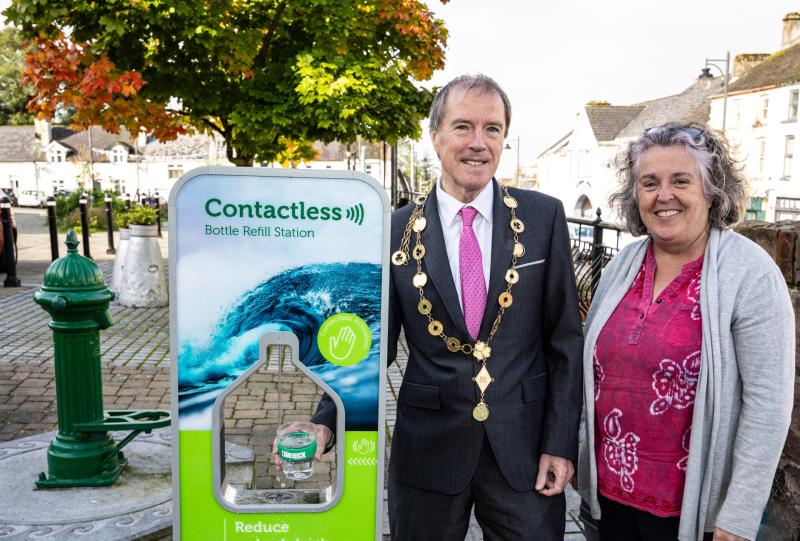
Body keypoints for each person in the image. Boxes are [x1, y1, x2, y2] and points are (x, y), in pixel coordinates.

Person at [306, 74, 584, 540]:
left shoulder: (544, 217)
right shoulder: (394, 230)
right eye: (463, 127)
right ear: (435, 137)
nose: (478, 143)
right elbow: (372, 345)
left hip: (524, 451)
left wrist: (561, 444)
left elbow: (565, 342)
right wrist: (326, 422)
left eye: (492, 129)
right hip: (428, 451)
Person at [577, 122, 795, 541]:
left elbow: (768, 406)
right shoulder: (623, 266)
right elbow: (592, 374)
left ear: (712, 190)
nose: (664, 196)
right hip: (611, 500)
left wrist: (738, 516)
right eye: (649, 183)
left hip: (691, 513)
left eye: (681, 181)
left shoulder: (750, 274)